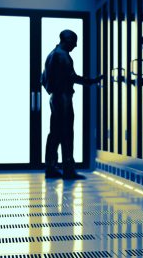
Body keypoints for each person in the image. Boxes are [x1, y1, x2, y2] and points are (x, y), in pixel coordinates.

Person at [41, 30, 103, 179]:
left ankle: (50, 167)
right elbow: (72, 77)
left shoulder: (52, 54)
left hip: (55, 97)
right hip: (63, 97)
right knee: (67, 132)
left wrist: (53, 91)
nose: (75, 45)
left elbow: (43, 79)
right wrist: (91, 81)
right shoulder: (62, 55)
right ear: (67, 40)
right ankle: (68, 170)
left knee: (54, 133)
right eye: (74, 41)